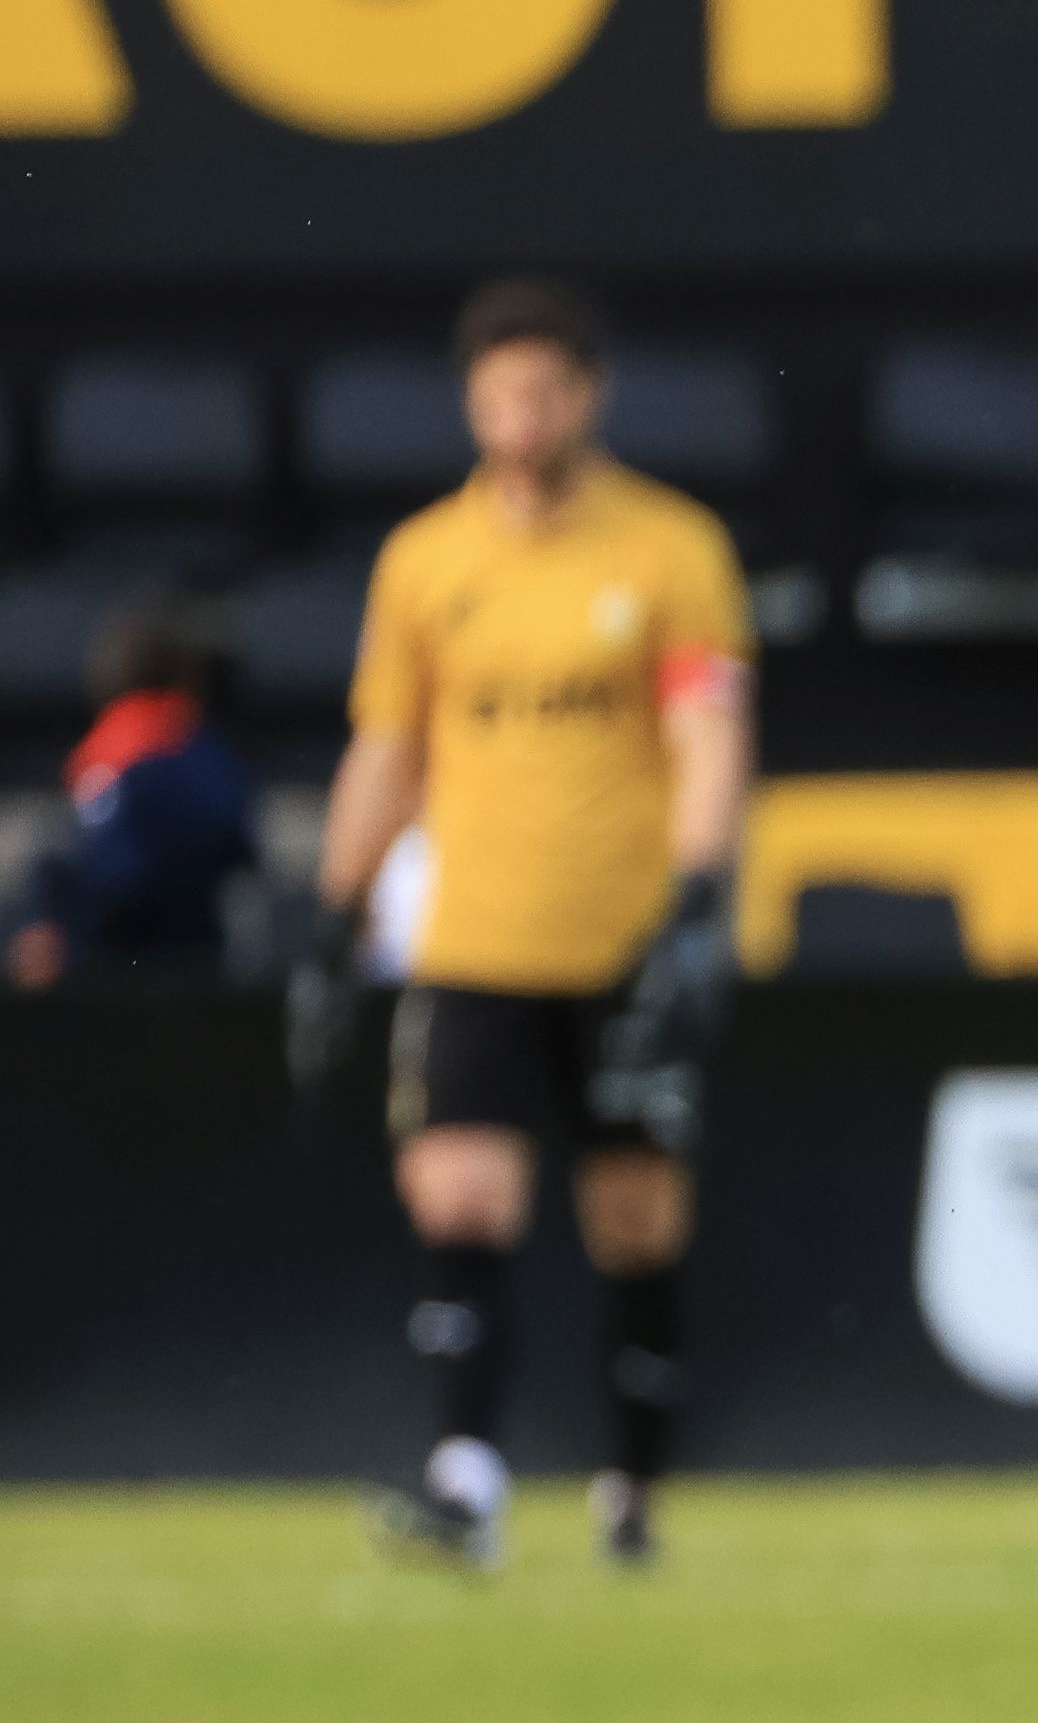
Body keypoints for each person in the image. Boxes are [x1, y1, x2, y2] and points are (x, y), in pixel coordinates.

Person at [287, 278, 752, 1571]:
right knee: (459, 1193)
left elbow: (705, 727)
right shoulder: (427, 563)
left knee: (636, 1215)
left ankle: (633, 1483)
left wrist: (702, 891)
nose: (521, 418)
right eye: (498, 396)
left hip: (618, 938)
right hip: (474, 935)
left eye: (542, 393)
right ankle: (468, 1476)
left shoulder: (669, 549)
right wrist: (336, 914)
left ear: (589, 398)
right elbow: (387, 749)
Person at [11, 592, 258, 985]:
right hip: (187, 965)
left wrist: (53, 921)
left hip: (113, 969)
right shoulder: (197, 750)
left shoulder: (121, 751)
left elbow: (87, 864)